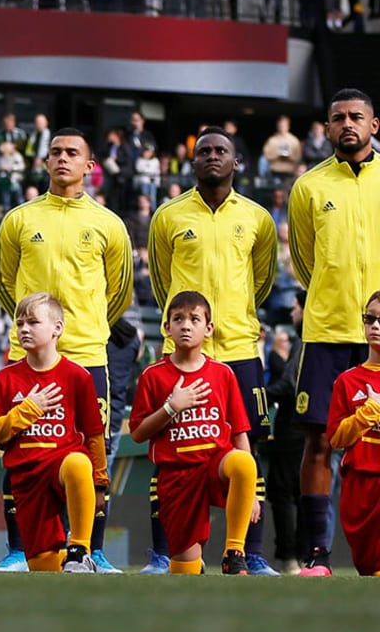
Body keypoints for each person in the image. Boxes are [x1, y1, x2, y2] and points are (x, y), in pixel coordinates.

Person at [0, 129, 133, 572]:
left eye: (73, 153)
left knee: (95, 451)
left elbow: (120, 293)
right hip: (27, 358)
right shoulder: (19, 219)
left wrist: (81, 329)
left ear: (90, 166)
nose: (62, 159)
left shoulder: (109, 224)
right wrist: (34, 330)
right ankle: (20, 549)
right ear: (45, 161)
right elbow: (2, 284)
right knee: (20, 446)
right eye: (55, 152)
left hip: (88, 355)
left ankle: (91, 547)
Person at [147, 129, 278, 575]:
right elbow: (163, 283)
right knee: (171, 449)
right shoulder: (168, 216)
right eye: (204, 151)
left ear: (236, 161)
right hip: (182, 353)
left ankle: (247, 552)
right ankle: (169, 552)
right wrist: (189, 328)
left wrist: (232, 318)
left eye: (221, 150)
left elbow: (261, 280)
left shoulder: (258, 217)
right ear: (192, 161)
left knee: (248, 446)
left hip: (239, 347)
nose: (212, 157)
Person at [288, 88, 380, 575]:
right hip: (326, 329)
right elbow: (305, 261)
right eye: (338, 118)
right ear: (327, 128)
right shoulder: (308, 187)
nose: (348, 124)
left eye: (357, 117)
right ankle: (317, 554)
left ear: (374, 125)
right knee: (320, 442)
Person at [128, 291, 261, 575]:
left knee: (243, 462)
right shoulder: (153, 375)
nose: (186, 325)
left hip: (215, 465)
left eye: (194, 319)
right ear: (167, 328)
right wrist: (171, 407)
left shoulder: (223, 374)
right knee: (184, 570)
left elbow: (239, 433)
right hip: (177, 476)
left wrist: (252, 494)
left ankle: (234, 553)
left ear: (208, 328)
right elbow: (138, 433)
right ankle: (192, 563)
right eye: (178, 319)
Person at [0, 293, 107, 572]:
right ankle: (71, 561)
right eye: (20, 323)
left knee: (77, 462)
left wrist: (100, 482)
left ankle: (80, 548)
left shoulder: (77, 375)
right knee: (43, 566)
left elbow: (94, 434)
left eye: (33, 322)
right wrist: (27, 410)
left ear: (57, 328)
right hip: (26, 477)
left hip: (61, 464)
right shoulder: (6, 377)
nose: (24, 329)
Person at [325, 290, 380, 576]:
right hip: (360, 484)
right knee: (368, 567)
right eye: (370, 319)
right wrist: (369, 411)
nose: (375, 326)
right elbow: (336, 438)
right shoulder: (348, 381)